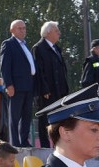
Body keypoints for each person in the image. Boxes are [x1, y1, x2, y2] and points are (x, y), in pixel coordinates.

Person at [33, 21, 69, 149]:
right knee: (45, 118)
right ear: (48, 32)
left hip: (59, 91)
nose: (59, 33)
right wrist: (44, 89)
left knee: (59, 118)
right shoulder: (39, 48)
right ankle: (44, 145)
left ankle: (57, 143)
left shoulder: (57, 49)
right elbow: (39, 71)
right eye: (56, 31)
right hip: (46, 92)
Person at [0, 19, 36, 147]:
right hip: (16, 86)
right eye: (19, 28)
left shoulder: (25, 45)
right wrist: (8, 85)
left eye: (24, 28)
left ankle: (24, 140)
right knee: (14, 116)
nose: (23, 30)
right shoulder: (8, 44)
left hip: (28, 85)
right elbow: (5, 66)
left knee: (27, 115)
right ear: (12, 31)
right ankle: (15, 142)